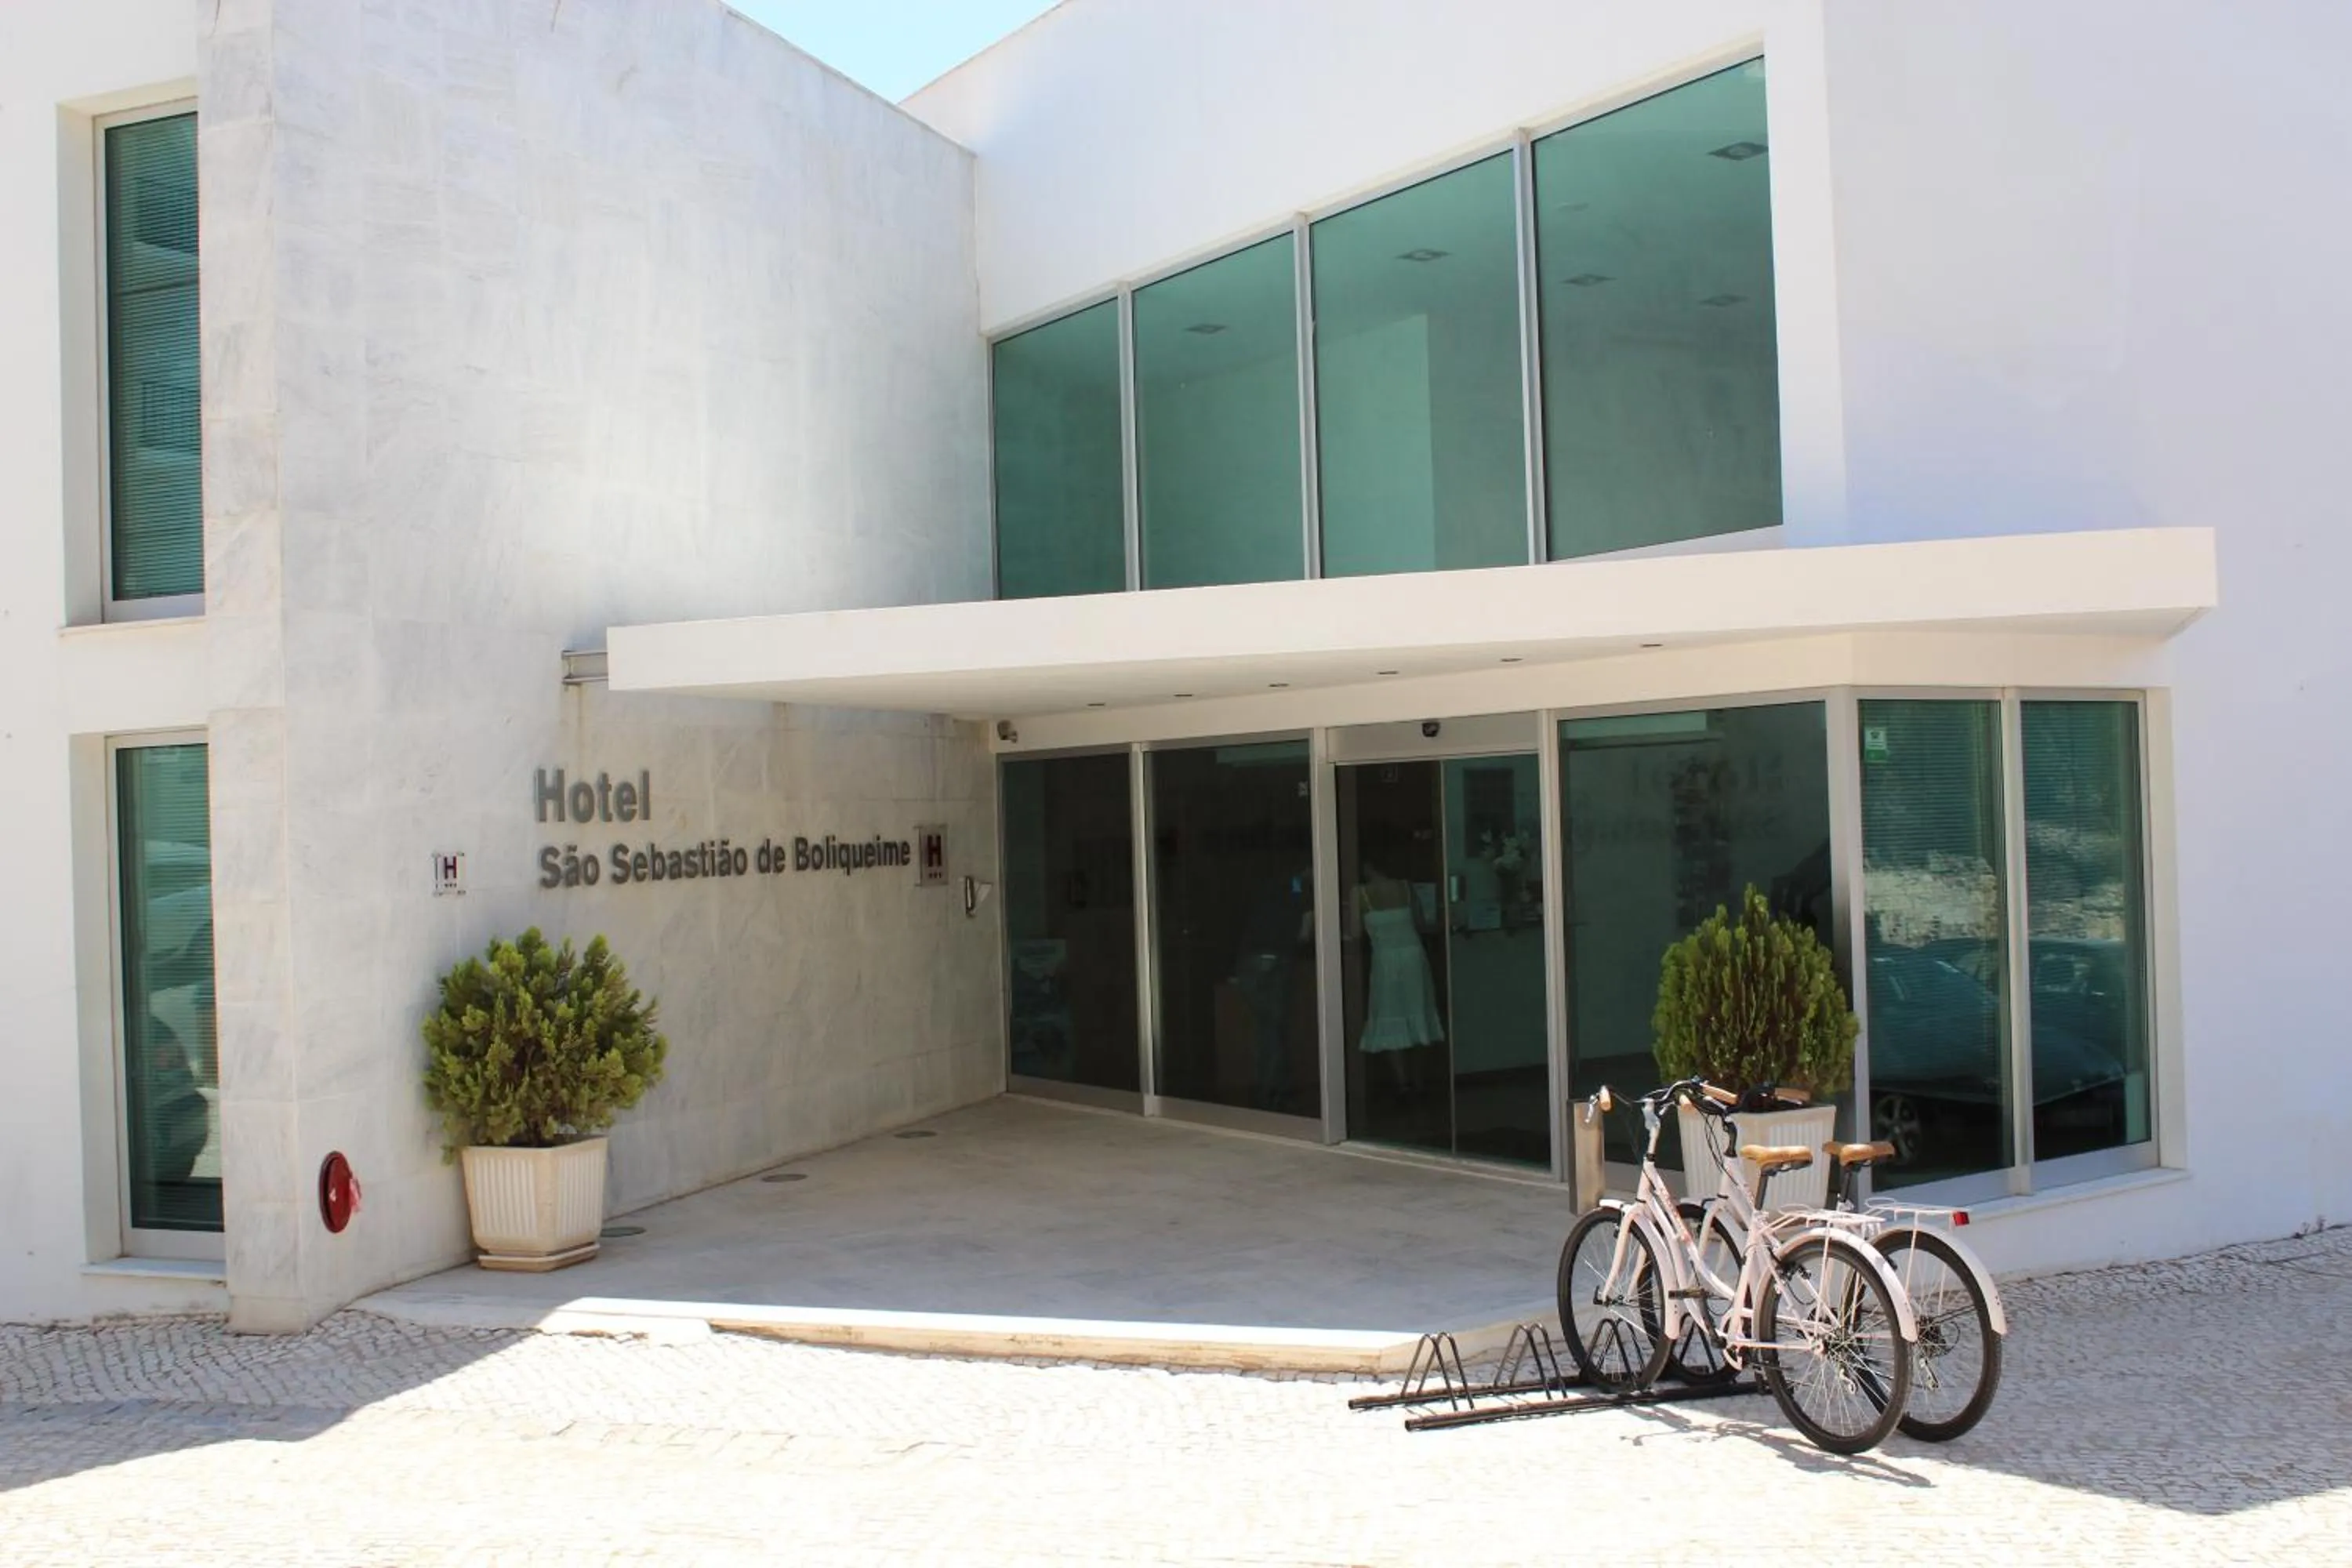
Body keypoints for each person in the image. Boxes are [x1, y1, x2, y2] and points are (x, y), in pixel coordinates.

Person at [1356, 857, 1443, 1090]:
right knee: (1418, 1011)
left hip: (1385, 959)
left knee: (1390, 1013)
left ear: (1367, 866)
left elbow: (1354, 931)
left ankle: (1402, 1082)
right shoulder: (1406, 887)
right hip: (1413, 956)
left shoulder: (1360, 894)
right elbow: (1421, 923)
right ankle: (1419, 1080)